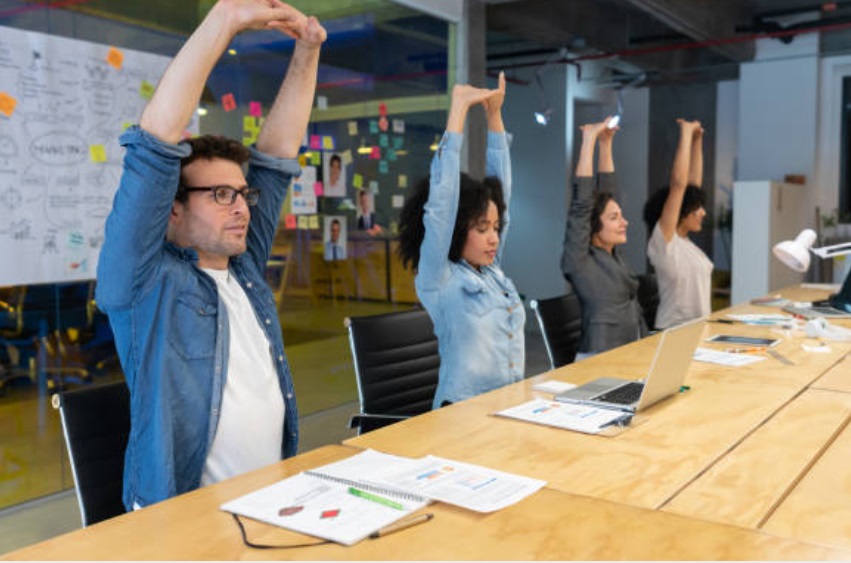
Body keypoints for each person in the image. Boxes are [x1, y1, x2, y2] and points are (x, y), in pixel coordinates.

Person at [95, 0, 325, 510]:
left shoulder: (240, 268)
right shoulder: (143, 282)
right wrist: (223, 20)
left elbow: (277, 158)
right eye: (220, 195)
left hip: (272, 500)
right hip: (184, 515)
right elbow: (153, 147)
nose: (240, 207)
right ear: (172, 211)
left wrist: (307, 51)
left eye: (242, 194)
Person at [397, 72, 525, 409]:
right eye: (482, 229)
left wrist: (494, 115)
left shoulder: (492, 271)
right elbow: (441, 207)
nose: (494, 237)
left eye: (496, 228)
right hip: (462, 415)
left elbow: (503, 192)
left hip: (507, 407)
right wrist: (458, 111)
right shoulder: (440, 278)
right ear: (457, 230)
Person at [561, 117, 647, 356]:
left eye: (621, 216)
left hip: (629, 354)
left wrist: (606, 145)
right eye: (614, 218)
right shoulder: (579, 261)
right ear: (593, 227)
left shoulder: (613, 255)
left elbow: (610, 196)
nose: (624, 222)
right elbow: (581, 206)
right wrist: (588, 140)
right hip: (598, 363)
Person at [643, 119, 711, 329]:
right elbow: (680, 185)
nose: (703, 212)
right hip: (673, 331)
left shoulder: (685, 244)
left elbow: (691, 187)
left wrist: (698, 140)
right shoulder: (664, 243)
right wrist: (686, 133)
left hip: (696, 329)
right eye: (696, 208)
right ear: (680, 211)